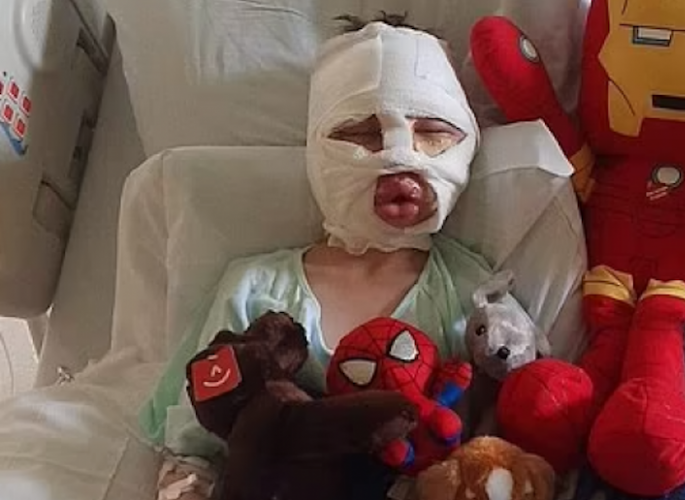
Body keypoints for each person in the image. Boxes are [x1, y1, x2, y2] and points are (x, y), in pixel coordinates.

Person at [139, 13, 514, 500]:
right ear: (319, 149)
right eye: (362, 134)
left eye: (433, 133)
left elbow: (501, 444)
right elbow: (192, 448)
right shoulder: (253, 289)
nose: (400, 154)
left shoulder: (471, 294)